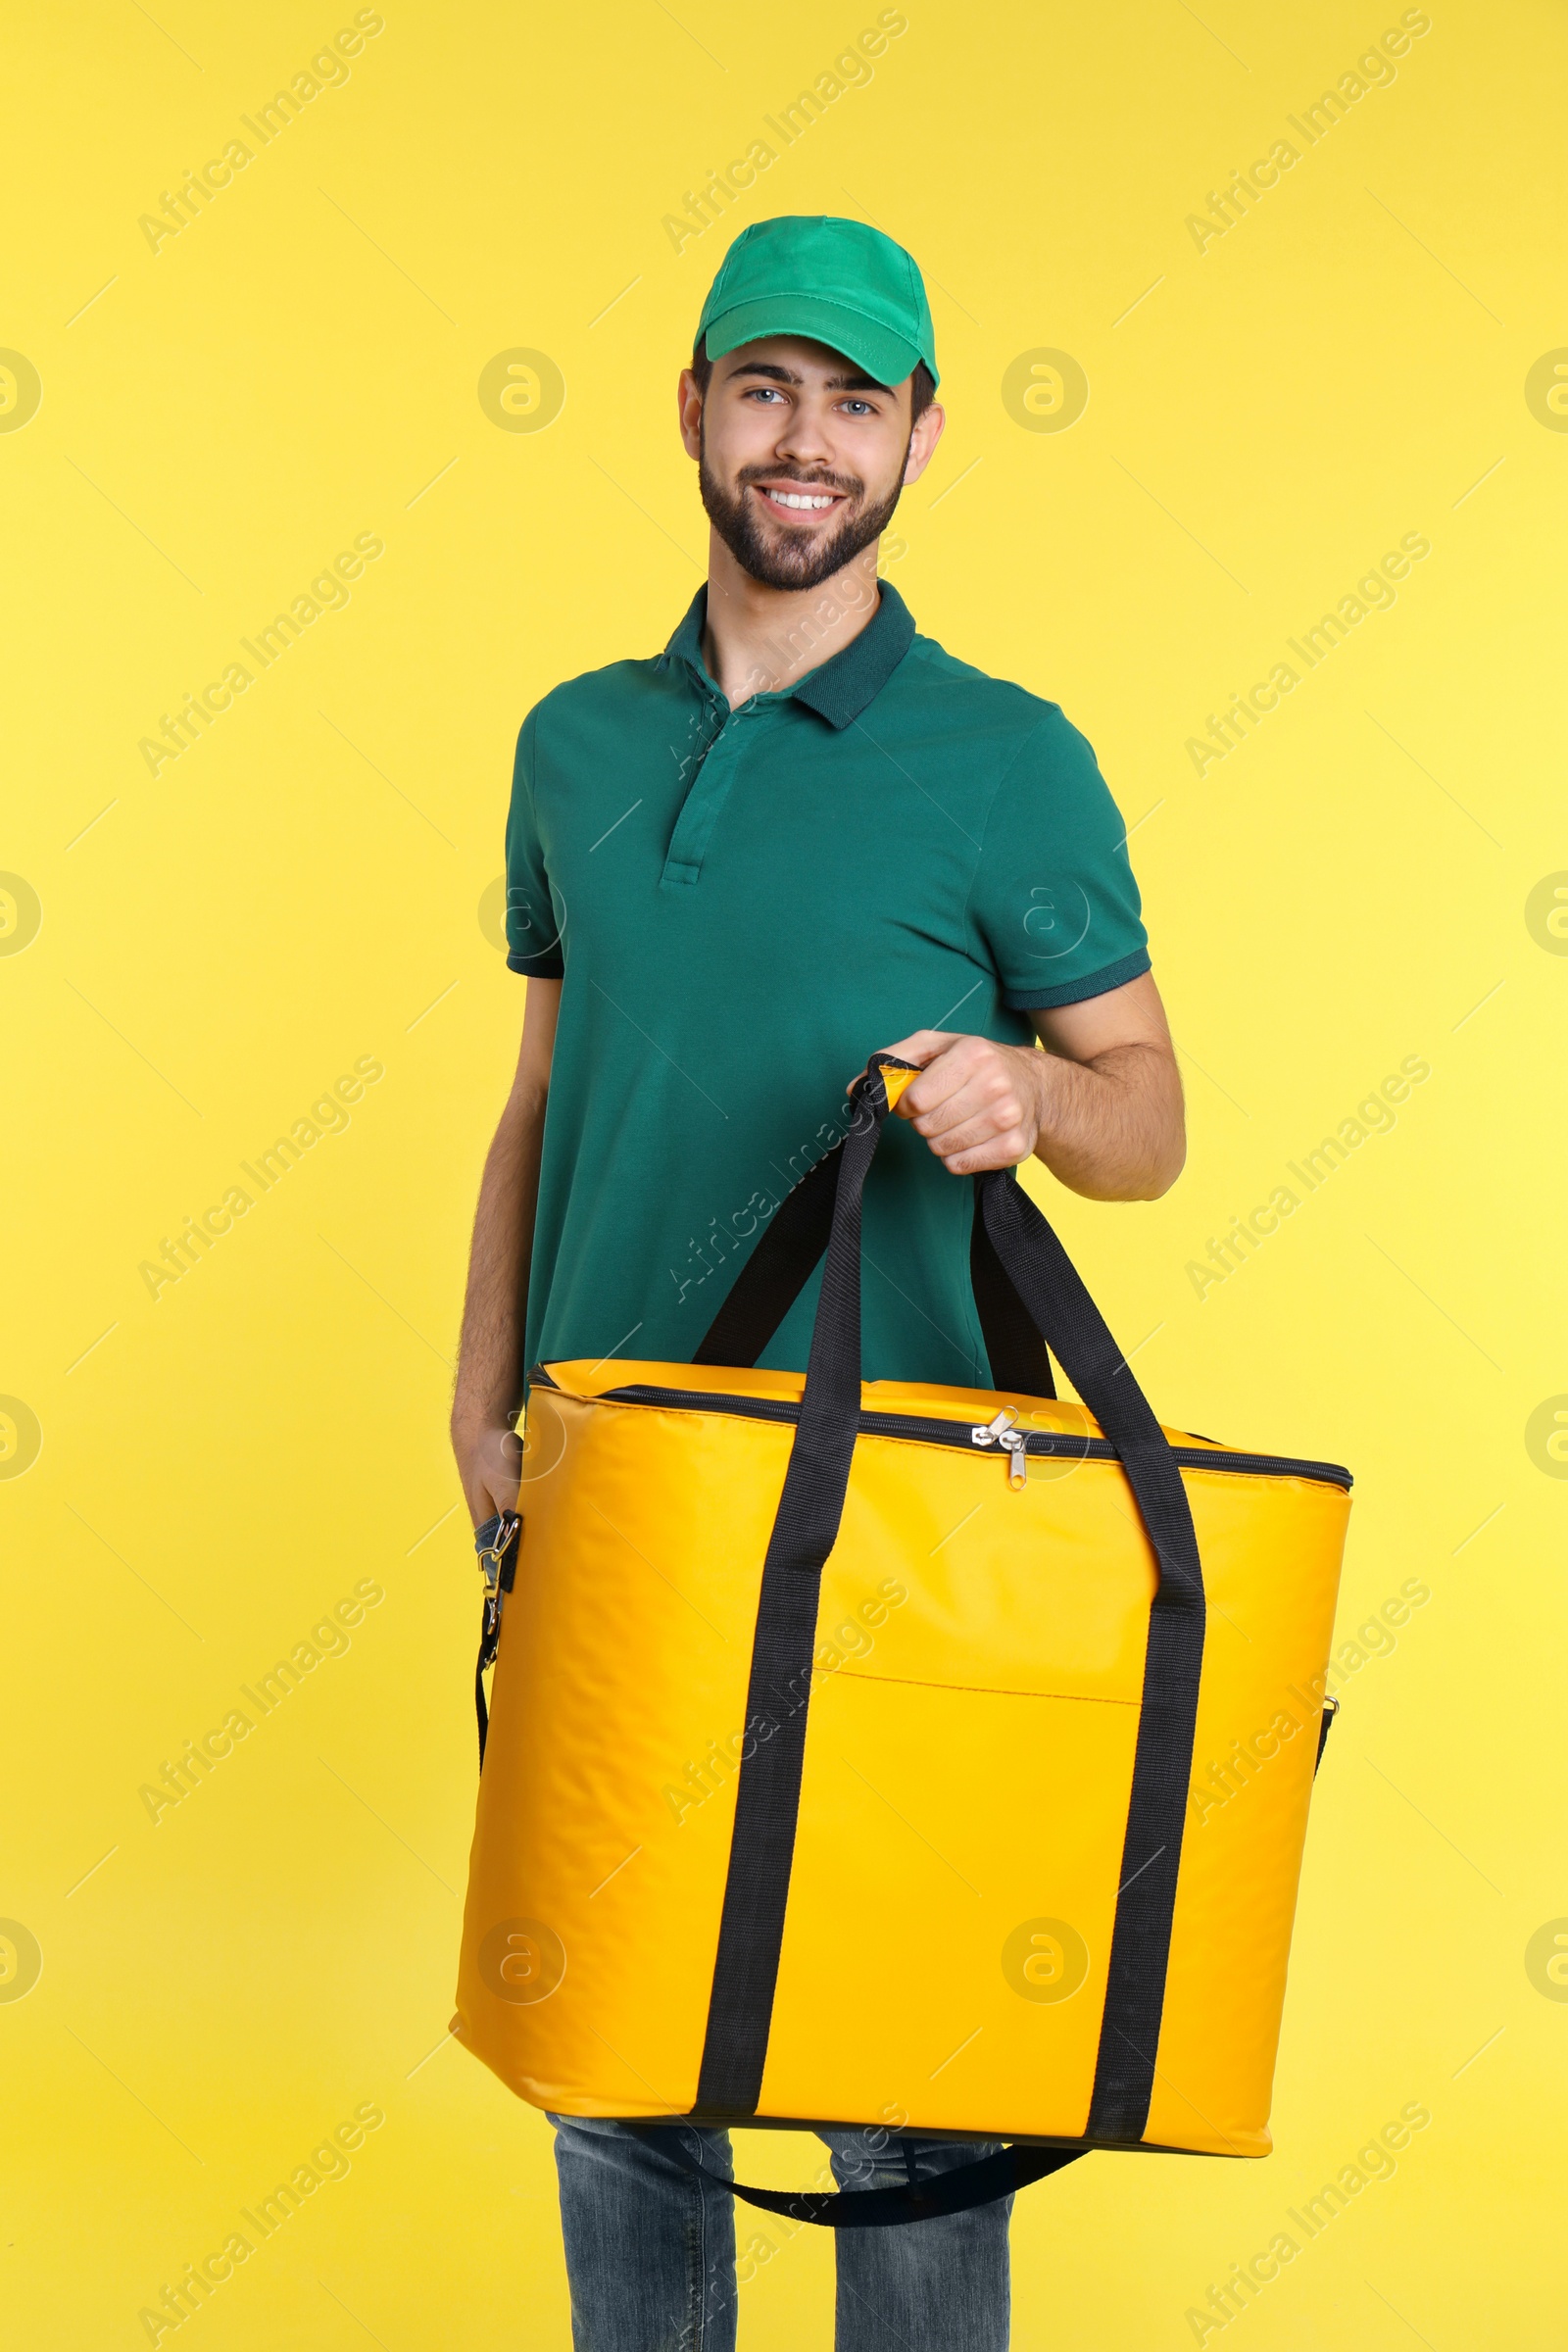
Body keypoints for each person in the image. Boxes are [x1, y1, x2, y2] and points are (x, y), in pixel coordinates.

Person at [451, 214, 1185, 2352]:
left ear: (920, 440)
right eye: (764, 389)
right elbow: (535, 1099)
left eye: (854, 403)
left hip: (903, 1519)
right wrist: (478, 1411)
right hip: (611, 1496)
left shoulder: (1003, 757)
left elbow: (1146, 1113)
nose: (803, 444)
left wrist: (1031, 1099)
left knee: (900, 2103)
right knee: (621, 2075)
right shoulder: (571, 742)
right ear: (691, 409)